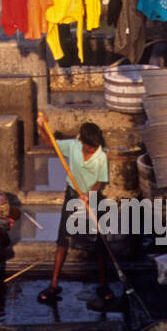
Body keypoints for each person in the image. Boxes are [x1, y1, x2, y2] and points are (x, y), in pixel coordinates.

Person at [35, 114, 115, 306]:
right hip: (72, 197)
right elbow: (49, 142)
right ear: (81, 141)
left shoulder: (101, 157)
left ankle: (103, 285)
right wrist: (41, 126)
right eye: (89, 148)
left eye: (94, 148)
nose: (91, 151)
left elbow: (100, 181)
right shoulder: (73, 146)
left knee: (99, 243)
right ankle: (54, 285)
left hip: (92, 199)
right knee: (63, 240)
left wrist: (89, 194)